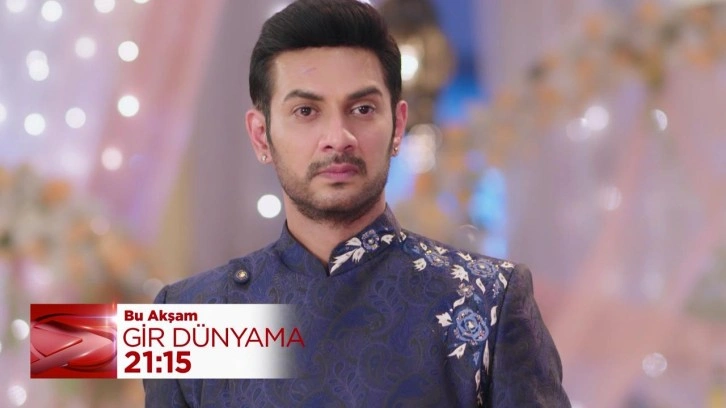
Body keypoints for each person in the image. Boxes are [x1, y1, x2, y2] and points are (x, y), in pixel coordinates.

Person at [144, 0, 570, 406]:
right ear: (261, 136)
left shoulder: (487, 300)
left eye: (362, 109)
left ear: (398, 125)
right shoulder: (189, 316)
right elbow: (96, 351)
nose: (338, 137)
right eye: (306, 111)